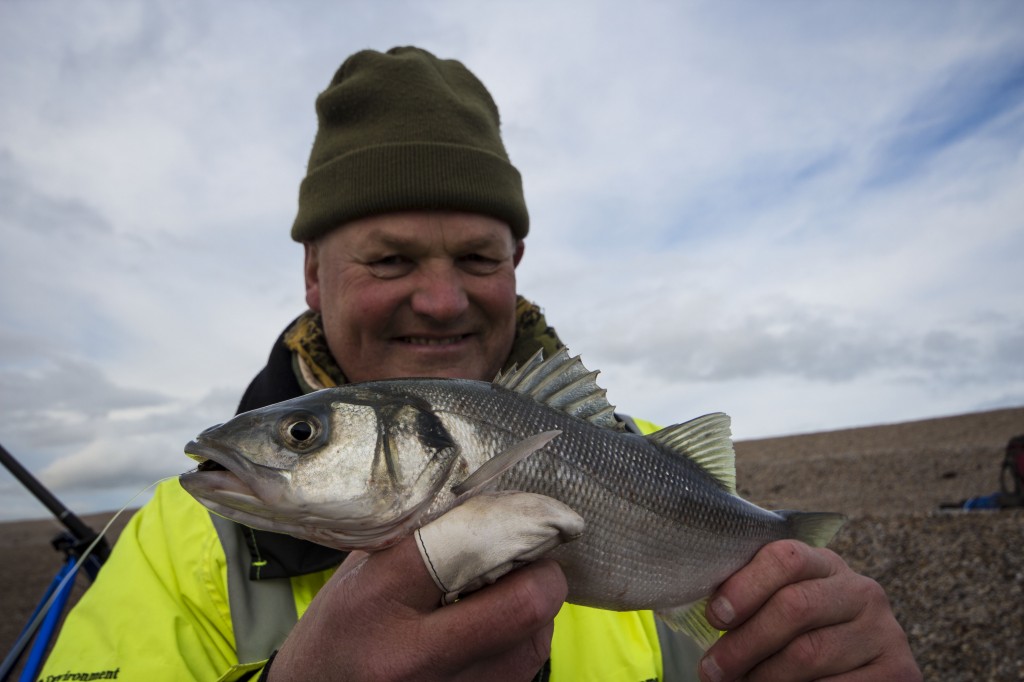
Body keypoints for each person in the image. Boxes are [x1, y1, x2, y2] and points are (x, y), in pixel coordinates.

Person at [40, 46, 921, 681]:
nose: (439, 299)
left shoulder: (647, 458)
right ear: (314, 272)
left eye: (476, 258)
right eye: (389, 260)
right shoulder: (173, 540)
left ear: (517, 262)